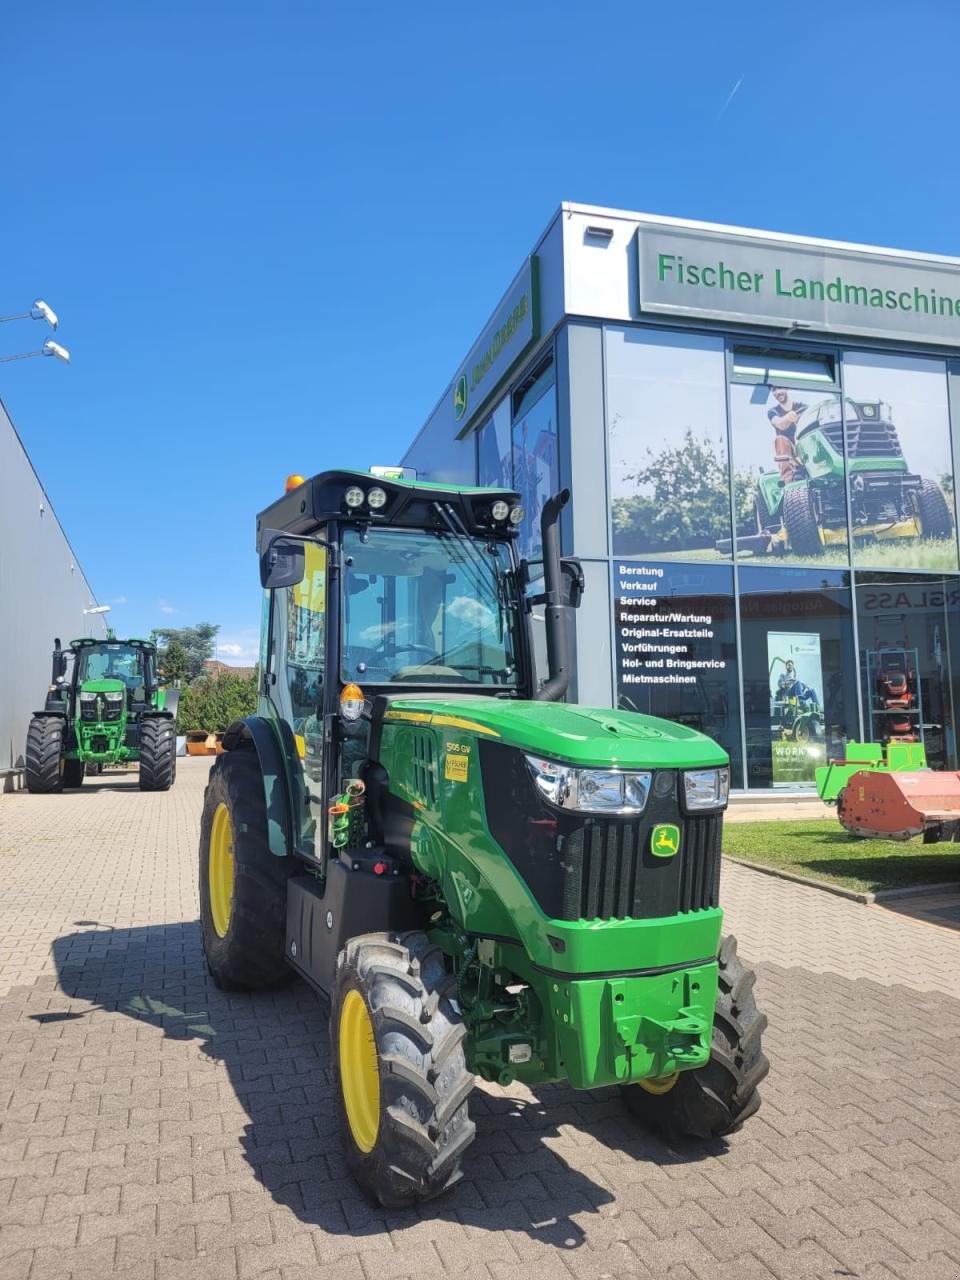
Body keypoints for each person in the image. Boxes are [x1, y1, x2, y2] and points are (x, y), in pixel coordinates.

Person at [767, 386, 807, 482]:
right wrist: (788, 418)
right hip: (789, 454)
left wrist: (801, 420)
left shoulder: (803, 407)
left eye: (779, 388)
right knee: (780, 439)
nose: (777, 392)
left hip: (804, 448)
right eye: (774, 390)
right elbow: (779, 424)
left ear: (786, 388)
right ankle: (789, 480)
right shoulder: (773, 412)